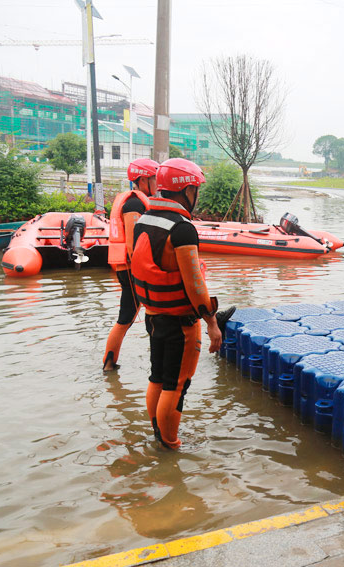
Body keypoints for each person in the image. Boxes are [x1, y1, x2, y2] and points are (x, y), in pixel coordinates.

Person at [130, 158, 229, 450]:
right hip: (180, 324)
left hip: (154, 316)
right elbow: (195, 285)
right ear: (186, 190)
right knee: (177, 386)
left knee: (158, 378)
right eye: (195, 188)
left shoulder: (145, 220)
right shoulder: (182, 229)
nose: (197, 195)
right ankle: (169, 446)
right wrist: (212, 324)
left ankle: (158, 435)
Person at [103, 158, 160, 371]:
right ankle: (109, 365)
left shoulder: (137, 200)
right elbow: (132, 245)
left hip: (129, 269)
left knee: (133, 316)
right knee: (126, 318)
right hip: (131, 270)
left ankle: (111, 363)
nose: (157, 184)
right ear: (143, 179)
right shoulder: (134, 204)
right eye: (155, 179)